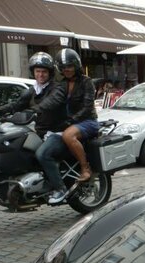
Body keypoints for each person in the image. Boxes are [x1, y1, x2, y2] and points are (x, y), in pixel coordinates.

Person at [41, 48, 99, 204]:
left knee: (68, 135)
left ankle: (85, 168)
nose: (66, 70)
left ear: (76, 65)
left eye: (69, 66)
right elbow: (53, 101)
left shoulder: (86, 82)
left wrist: (71, 120)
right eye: (63, 67)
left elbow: (87, 107)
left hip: (87, 121)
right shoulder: (62, 83)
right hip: (70, 121)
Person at [0, 52, 66, 138]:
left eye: (44, 72)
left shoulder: (57, 88)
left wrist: (32, 111)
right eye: (37, 71)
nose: (41, 75)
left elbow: (49, 103)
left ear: (50, 73)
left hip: (54, 132)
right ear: (33, 72)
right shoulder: (33, 89)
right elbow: (16, 104)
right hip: (37, 131)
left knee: (41, 152)